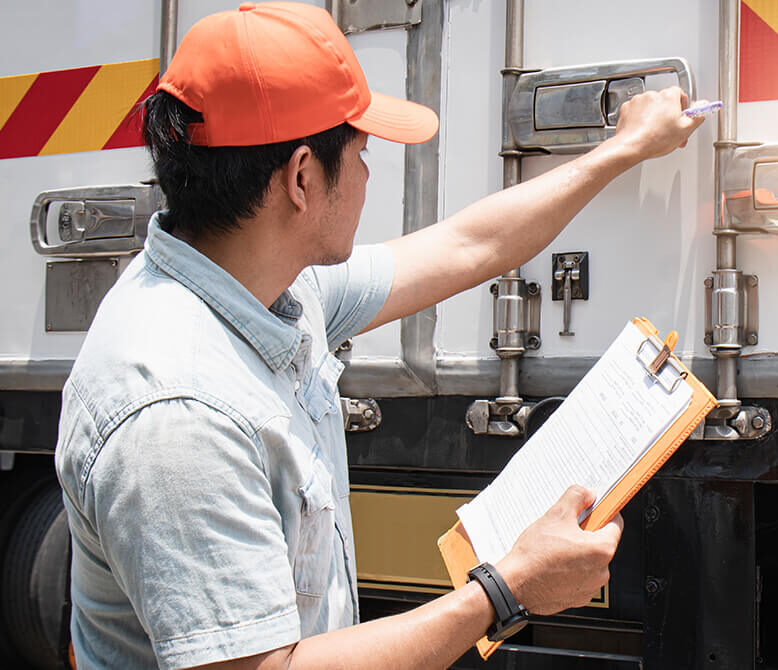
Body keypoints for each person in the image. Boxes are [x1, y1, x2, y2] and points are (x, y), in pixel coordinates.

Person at [54, 3, 704, 669]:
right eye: (363, 153)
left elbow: (470, 246)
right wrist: (504, 591)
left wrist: (623, 149)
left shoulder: (266, 284)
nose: (368, 175)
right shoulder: (178, 414)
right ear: (302, 178)